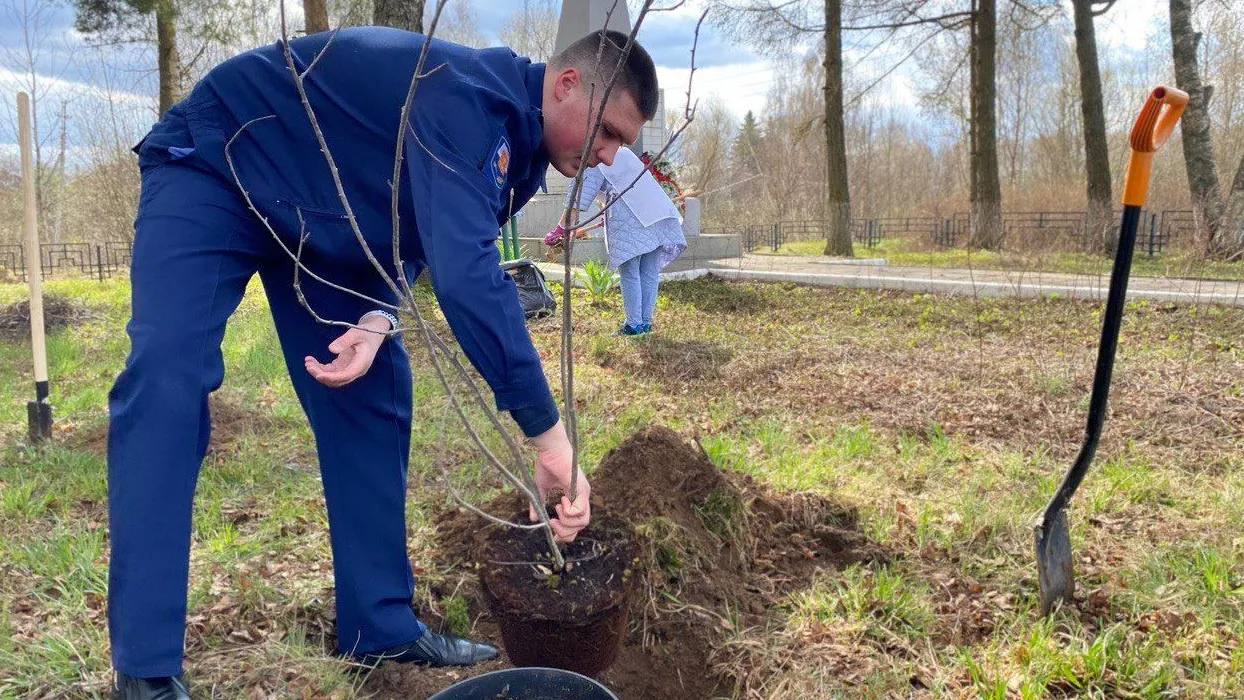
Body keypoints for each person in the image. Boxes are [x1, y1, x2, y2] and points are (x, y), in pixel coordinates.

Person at [107, 26, 658, 699]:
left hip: (323, 214)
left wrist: (376, 317)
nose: (607, 157)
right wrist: (549, 437)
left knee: (372, 382)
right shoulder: (465, 98)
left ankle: (378, 625)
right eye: (608, 133)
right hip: (220, 163)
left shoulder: (519, 152)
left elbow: (422, 230)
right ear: (567, 84)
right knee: (167, 376)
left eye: (622, 146)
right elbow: (469, 279)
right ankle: (145, 666)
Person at [545, 146, 685, 335]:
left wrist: (561, 228)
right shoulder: (624, 153)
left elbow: (579, 196)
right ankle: (644, 324)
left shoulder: (596, 158)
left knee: (630, 272)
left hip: (633, 222)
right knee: (649, 272)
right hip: (658, 215)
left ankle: (633, 325)